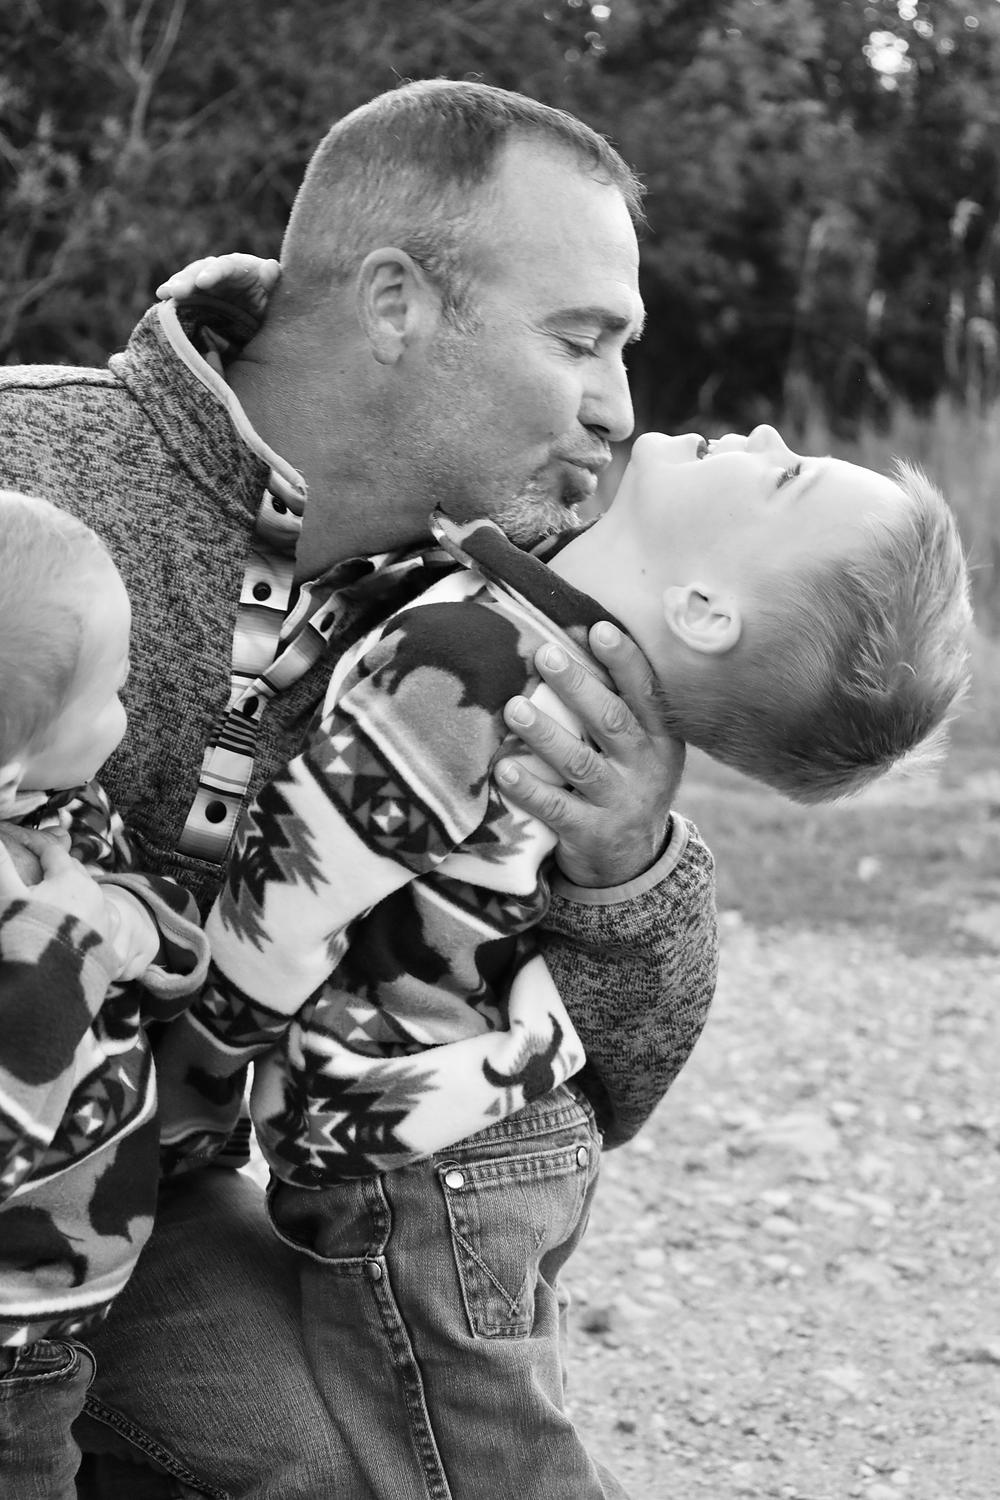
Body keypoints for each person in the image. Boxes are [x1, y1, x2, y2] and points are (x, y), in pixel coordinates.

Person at [0, 80, 719, 1499]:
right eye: (579, 339)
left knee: (354, 1463)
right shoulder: (26, 473)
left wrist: (624, 858)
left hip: (126, 1215)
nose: (617, 409)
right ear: (396, 303)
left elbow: (605, 1085)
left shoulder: (493, 623)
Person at [149, 413, 970, 1494]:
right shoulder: (526, 623)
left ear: (705, 611)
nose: (768, 430)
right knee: (461, 1442)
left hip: (427, 1160)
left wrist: (187, 1095)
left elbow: (290, 900)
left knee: (471, 1464)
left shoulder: (479, 663)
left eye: (785, 479)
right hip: (484, 1138)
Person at [0, 492, 210, 1498]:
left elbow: (172, 939)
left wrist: (125, 923)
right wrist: (69, 941)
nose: (128, 712)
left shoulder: (65, 820)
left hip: (64, 1305)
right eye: (113, 694)